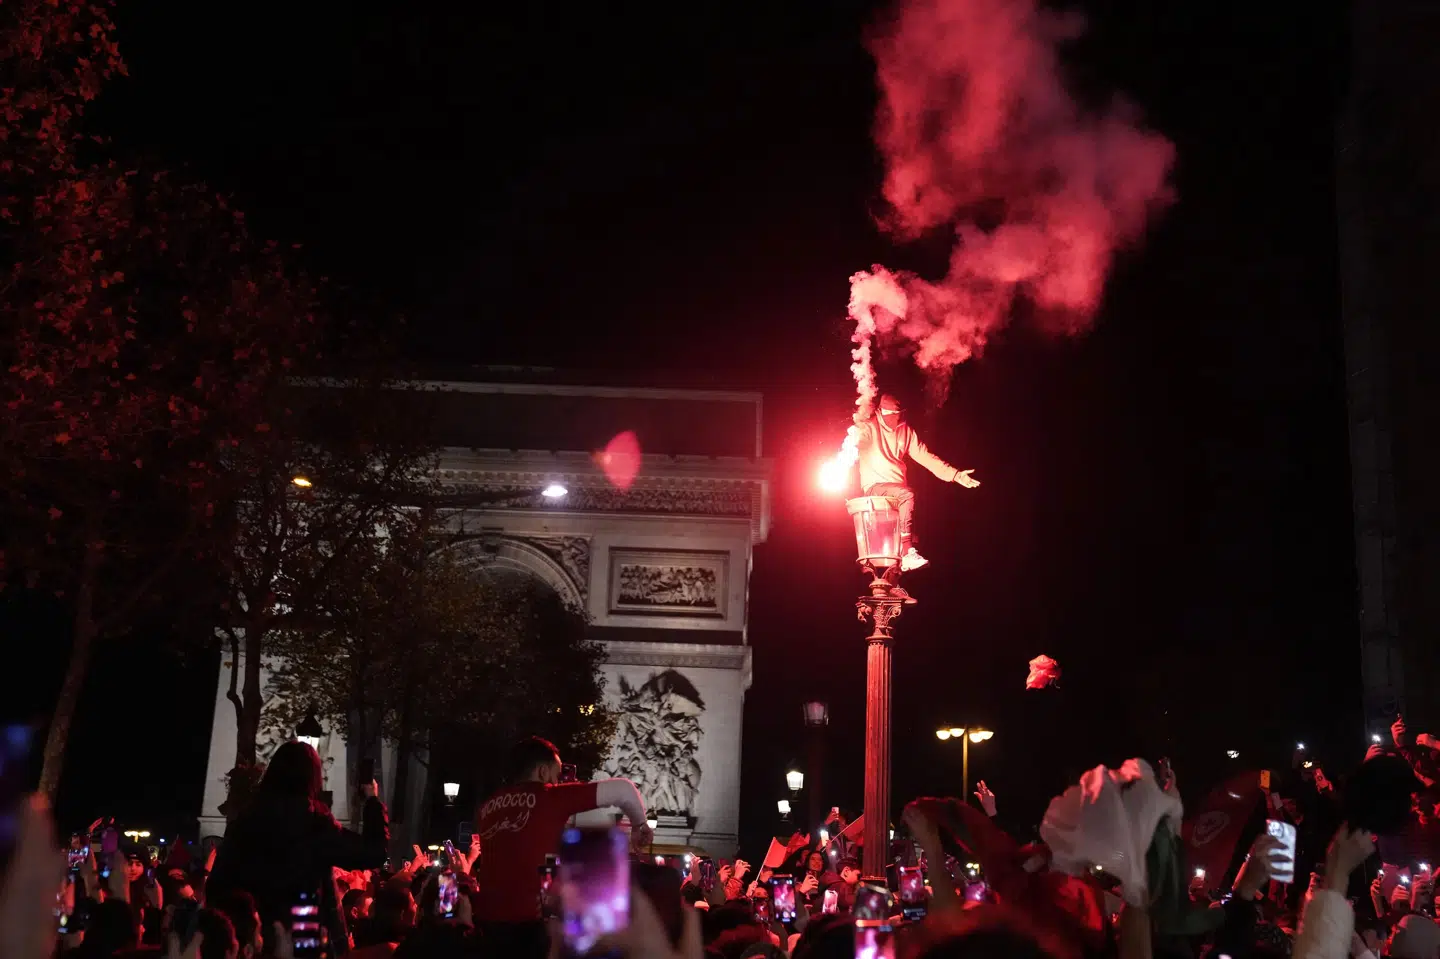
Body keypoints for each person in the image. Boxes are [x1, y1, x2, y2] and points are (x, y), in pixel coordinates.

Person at [207, 740, 389, 953]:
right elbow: (373, 853)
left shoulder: (246, 821)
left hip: (251, 940)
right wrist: (372, 800)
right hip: (300, 939)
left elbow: (217, 885)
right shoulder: (314, 823)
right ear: (313, 778)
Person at [472, 737, 652, 949]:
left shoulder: (487, 808)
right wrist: (640, 825)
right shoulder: (549, 797)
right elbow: (624, 790)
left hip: (487, 926)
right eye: (555, 776)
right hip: (531, 928)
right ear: (541, 772)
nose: (557, 783)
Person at [854, 392, 980, 571]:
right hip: (875, 487)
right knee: (907, 496)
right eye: (891, 415)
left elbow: (925, 456)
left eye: (898, 415)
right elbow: (855, 442)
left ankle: (893, 582)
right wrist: (853, 442)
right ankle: (907, 554)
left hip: (897, 490)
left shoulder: (905, 431)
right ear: (881, 412)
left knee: (909, 533)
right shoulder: (869, 427)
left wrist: (956, 475)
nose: (895, 420)